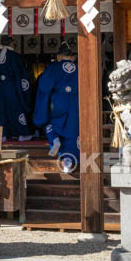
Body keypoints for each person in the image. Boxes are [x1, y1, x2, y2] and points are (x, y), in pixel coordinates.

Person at [33, 41, 80, 174]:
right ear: (71, 57)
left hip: (58, 102)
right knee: (72, 131)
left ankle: (54, 139)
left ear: (59, 56)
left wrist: (42, 104)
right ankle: (68, 161)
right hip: (75, 103)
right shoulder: (79, 67)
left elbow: (44, 87)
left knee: (50, 122)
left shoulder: (52, 68)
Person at [0, 35, 33, 140]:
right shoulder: (15, 56)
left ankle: (1, 136)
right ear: (11, 44)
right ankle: (23, 134)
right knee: (15, 109)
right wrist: (21, 90)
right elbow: (19, 74)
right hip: (11, 87)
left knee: (0, 110)